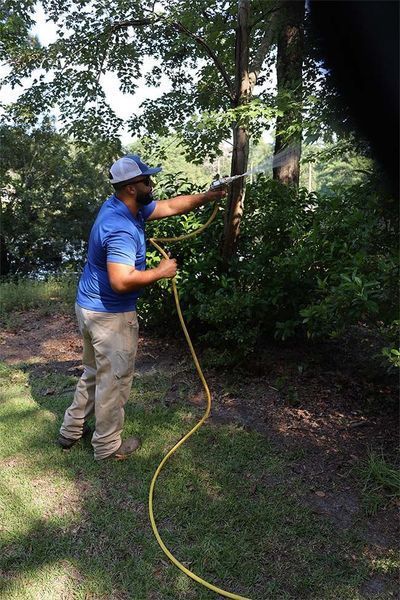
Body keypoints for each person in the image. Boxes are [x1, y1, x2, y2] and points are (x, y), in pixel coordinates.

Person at [58, 154, 225, 460]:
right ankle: (108, 447)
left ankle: (71, 430)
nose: (152, 183)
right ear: (132, 188)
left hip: (89, 307)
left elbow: (169, 206)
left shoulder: (122, 206)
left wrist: (208, 196)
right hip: (110, 316)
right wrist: (161, 272)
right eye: (146, 180)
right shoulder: (121, 227)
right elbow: (121, 281)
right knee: (114, 381)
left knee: (94, 372)